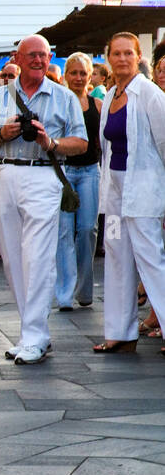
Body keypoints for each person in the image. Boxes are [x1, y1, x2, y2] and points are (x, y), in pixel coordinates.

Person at [0, 35, 89, 364]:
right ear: (18, 58)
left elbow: (81, 143)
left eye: (44, 55)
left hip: (43, 175)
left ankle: (35, 335)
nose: (38, 60)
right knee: (11, 259)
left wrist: (50, 141)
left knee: (37, 257)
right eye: (32, 55)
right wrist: (1, 134)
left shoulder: (64, 97)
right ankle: (31, 332)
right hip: (7, 173)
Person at [90, 33, 165, 355]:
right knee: (117, 258)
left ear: (138, 56)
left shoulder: (149, 93)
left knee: (152, 262)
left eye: (128, 53)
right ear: (109, 57)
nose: (122, 59)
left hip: (145, 191)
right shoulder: (109, 96)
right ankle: (121, 332)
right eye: (116, 53)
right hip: (115, 190)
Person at [54, 52, 101, 311]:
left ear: (90, 76)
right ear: (65, 75)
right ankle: (64, 294)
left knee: (87, 231)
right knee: (63, 233)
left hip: (90, 171)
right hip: (63, 171)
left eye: (83, 73)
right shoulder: (58, 103)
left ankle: (84, 290)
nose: (79, 77)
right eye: (74, 72)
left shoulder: (98, 105)